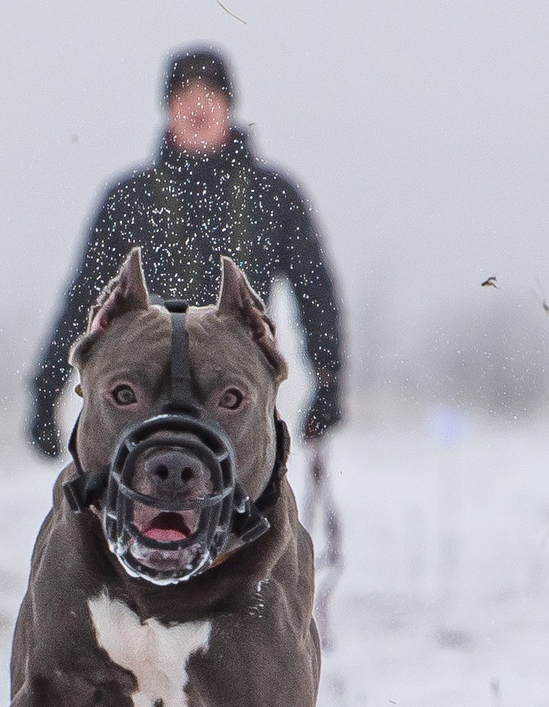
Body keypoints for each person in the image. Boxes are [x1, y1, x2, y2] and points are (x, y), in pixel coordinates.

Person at [27, 47, 345, 458]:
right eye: (184, 95)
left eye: (210, 94)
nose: (198, 106)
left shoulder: (275, 196)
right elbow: (86, 296)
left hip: (235, 395)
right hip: (146, 390)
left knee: (247, 511)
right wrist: (46, 391)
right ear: (168, 107)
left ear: (229, 106)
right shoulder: (129, 199)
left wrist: (328, 381)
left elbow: (316, 294)